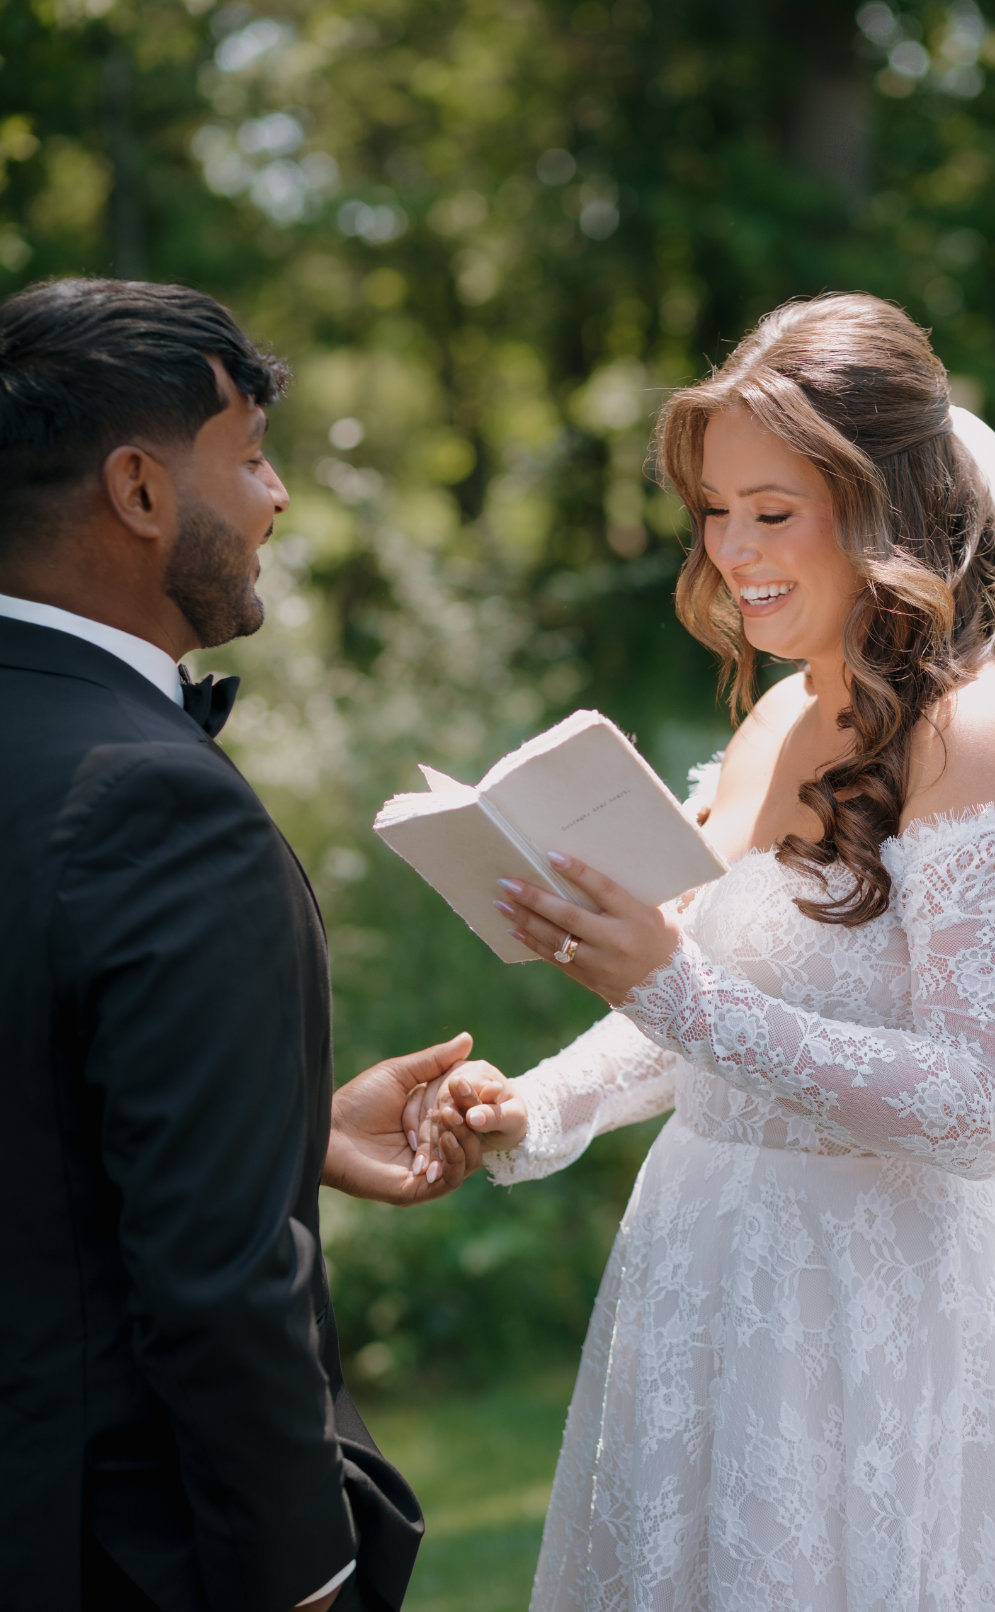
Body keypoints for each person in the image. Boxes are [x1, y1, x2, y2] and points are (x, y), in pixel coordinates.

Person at [416, 292, 995, 1608]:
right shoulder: (783, 716)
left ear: (890, 504)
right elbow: (707, 1008)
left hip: (891, 1311)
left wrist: (670, 985)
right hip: (712, 1270)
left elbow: (983, 1108)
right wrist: (534, 1102)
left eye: (775, 511)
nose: (732, 551)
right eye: (717, 511)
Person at [0, 277, 481, 1612]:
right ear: (142, 491)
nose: (275, 499)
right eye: (252, 458)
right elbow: (216, 1281)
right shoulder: (159, 804)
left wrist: (288, 1128)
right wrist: (303, 1573)